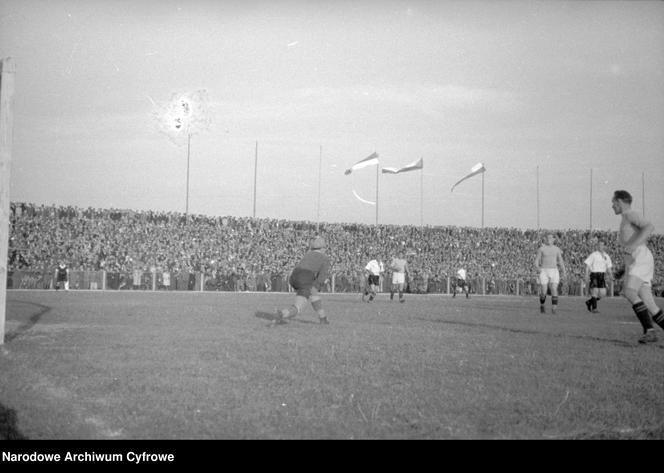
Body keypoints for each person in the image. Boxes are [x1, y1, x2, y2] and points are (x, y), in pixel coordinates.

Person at [611, 190, 664, 344]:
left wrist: (633, 245)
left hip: (640, 257)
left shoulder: (630, 214)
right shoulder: (625, 218)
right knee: (650, 304)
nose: (612, 205)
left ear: (620, 201)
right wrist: (622, 268)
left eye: (613, 202)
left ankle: (650, 330)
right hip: (637, 260)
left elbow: (649, 227)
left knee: (628, 291)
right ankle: (650, 330)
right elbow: (631, 246)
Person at [274, 236, 331, 325]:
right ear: (323, 248)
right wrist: (319, 285)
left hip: (294, 276)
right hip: (305, 277)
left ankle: (323, 318)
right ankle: (282, 314)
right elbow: (321, 277)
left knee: (313, 294)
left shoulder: (308, 254)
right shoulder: (325, 258)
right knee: (299, 306)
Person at [534, 234, 567, 314]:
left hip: (554, 270)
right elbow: (537, 260)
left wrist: (564, 271)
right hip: (544, 270)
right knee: (544, 291)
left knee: (554, 288)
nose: (549, 239)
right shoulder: (541, 249)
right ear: (545, 239)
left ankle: (554, 308)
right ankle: (542, 304)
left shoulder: (557, 249)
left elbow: (561, 261)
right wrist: (537, 268)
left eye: (550, 238)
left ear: (553, 240)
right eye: (547, 238)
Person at [584, 239, 613, 314]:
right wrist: (586, 274)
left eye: (602, 245)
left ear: (605, 246)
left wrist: (611, 276)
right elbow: (587, 265)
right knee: (595, 291)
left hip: (602, 275)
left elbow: (609, 268)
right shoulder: (594, 254)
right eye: (599, 245)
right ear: (597, 246)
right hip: (594, 274)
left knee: (602, 294)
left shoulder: (607, 256)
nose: (601, 246)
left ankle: (589, 302)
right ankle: (594, 308)